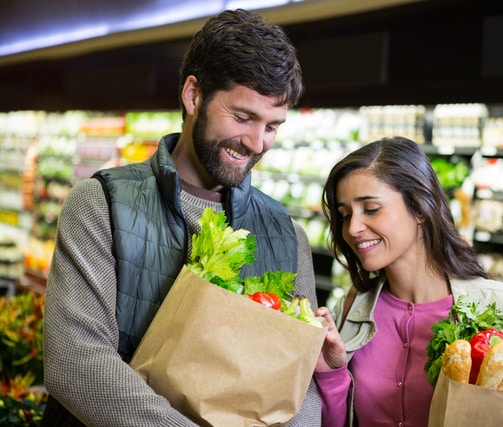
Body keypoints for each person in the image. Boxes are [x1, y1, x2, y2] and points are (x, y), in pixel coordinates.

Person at [41, 9, 322, 426]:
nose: (256, 142)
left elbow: (303, 382)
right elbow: (76, 363)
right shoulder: (99, 204)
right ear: (193, 95)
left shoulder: (287, 235)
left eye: (272, 126)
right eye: (243, 117)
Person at [313, 136, 503, 427]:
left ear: (420, 207)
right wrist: (331, 374)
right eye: (344, 214)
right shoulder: (350, 311)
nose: (353, 228)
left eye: (371, 209)